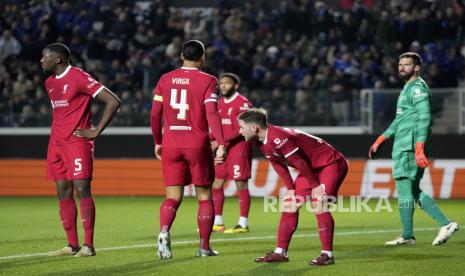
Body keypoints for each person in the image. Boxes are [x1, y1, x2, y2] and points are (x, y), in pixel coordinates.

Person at [368, 52, 459, 245]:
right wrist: (380, 139)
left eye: (406, 64)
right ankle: (409, 235)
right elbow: (399, 121)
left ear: (416, 67)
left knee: (404, 190)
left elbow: (425, 117)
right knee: (412, 190)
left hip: (408, 145)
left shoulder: (417, 88)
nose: (401, 67)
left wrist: (419, 148)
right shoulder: (407, 88)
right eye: (400, 64)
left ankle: (444, 224)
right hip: (405, 143)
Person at [238, 108, 348, 266]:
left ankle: (327, 255)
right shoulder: (259, 140)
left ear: (254, 128)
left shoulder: (277, 137)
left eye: (241, 127)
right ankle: (280, 252)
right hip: (311, 167)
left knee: (319, 203)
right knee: (290, 204)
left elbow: (299, 162)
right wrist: (290, 187)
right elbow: (277, 163)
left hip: (330, 163)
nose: (239, 131)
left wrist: (315, 186)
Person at [42, 43, 121, 257]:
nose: (42, 60)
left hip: (77, 142)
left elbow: (113, 101)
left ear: (58, 59)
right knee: (62, 191)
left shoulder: (78, 76)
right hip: (56, 143)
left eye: (45, 56)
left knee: (82, 189)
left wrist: (96, 131)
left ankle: (88, 245)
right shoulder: (49, 82)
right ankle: (72, 244)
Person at [151, 40, 225, 259]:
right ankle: (204, 247)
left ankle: (164, 231)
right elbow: (212, 113)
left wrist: (158, 140)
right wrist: (221, 143)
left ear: (181, 56)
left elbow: (155, 114)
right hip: (197, 144)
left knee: (173, 197)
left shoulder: (165, 79)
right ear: (203, 57)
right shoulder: (208, 80)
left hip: (171, 143)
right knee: (204, 196)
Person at [211, 73, 253, 234]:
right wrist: (209, 140)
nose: (223, 86)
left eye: (227, 83)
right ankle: (218, 222)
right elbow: (216, 128)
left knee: (240, 184)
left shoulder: (243, 104)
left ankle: (243, 223)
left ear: (235, 85)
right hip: (223, 149)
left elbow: (242, 129)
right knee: (217, 183)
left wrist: (220, 142)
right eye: (221, 83)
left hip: (238, 149)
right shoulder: (219, 103)